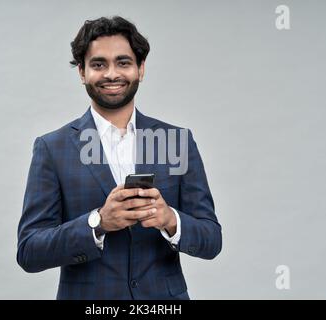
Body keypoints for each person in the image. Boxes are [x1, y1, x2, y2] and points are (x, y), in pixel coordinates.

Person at [17, 16, 222, 300]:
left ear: (140, 69)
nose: (111, 74)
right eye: (98, 64)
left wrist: (170, 219)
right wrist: (98, 222)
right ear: (82, 72)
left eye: (123, 62)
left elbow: (211, 240)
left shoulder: (177, 142)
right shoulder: (52, 148)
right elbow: (29, 251)